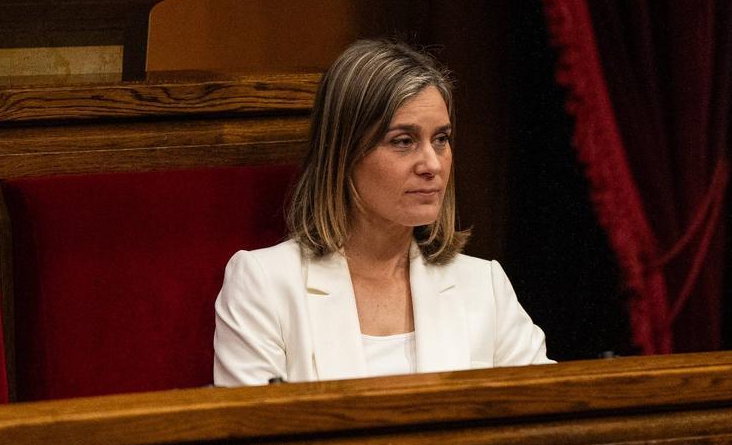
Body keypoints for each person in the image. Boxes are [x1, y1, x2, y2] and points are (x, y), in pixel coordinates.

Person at [213, 39, 550, 385]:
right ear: (344, 155)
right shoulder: (264, 284)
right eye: (403, 141)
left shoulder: (483, 285)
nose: (432, 164)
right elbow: (252, 433)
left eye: (441, 139)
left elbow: (550, 413)